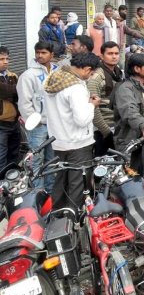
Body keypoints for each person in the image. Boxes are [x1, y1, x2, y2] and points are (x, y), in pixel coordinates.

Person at [43, 52, 101, 209]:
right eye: (92, 73)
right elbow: (82, 119)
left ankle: (58, 219)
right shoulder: (75, 87)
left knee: (61, 183)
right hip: (78, 143)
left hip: (59, 141)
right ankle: (73, 222)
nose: (91, 76)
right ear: (87, 69)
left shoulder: (55, 78)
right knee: (78, 186)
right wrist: (92, 105)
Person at [17, 41, 59, 191]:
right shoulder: (28, 75)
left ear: (52, 55)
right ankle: (36, 192)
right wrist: (33, 122)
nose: (40, 55)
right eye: (38, 52)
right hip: (38, 126)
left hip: (55, 125)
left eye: (44, 52)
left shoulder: (58, 71)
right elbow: (24, 102)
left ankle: (49, 192)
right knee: (36, 159)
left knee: (52, 159)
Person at [112, 53, 144, 180]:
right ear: (137, 69)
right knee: (129, 179)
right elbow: (129, 112)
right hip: (128, 141)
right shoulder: (125, 89)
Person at [87, 41, 123, 156]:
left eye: (116, 53)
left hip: (117, 125)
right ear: (102, 56)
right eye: (110, 53)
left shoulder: (118, 73)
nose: (114, 56)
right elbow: (93, 108)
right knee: (102, 166)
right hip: (103, 129)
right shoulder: (96, 77)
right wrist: (106, 131)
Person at [0, 46, 20, 171]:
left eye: (7, 58)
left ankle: (11, 181)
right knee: (1, 156)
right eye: (2, 59)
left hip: (14, 122)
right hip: (1, 124)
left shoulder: (13, 75)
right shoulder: (14, 78)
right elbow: (8, 92)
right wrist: (15, 91)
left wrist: (15, 92)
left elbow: (19, 94)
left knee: (14, 154)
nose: (6, 61)